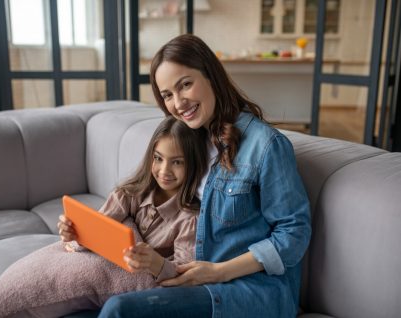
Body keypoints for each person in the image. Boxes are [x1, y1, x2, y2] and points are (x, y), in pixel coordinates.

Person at [99, 34, 312, 318]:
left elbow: (294, 234)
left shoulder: (266, 145)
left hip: (249, 291)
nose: (178, 103)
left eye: (185, 84)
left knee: (118, 310)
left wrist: (219, 273)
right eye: (167, 95)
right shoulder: (189, 139)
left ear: (211, 75)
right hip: (191, 278)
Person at [58, 116, 208, 281]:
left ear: (194, 164)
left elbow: (185, 273)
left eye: (177, 162)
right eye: (158, 158)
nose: (164, 170)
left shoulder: (189, 220)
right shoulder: (128, 194)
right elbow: (96, 229)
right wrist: (75, 234)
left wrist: (156, 263)